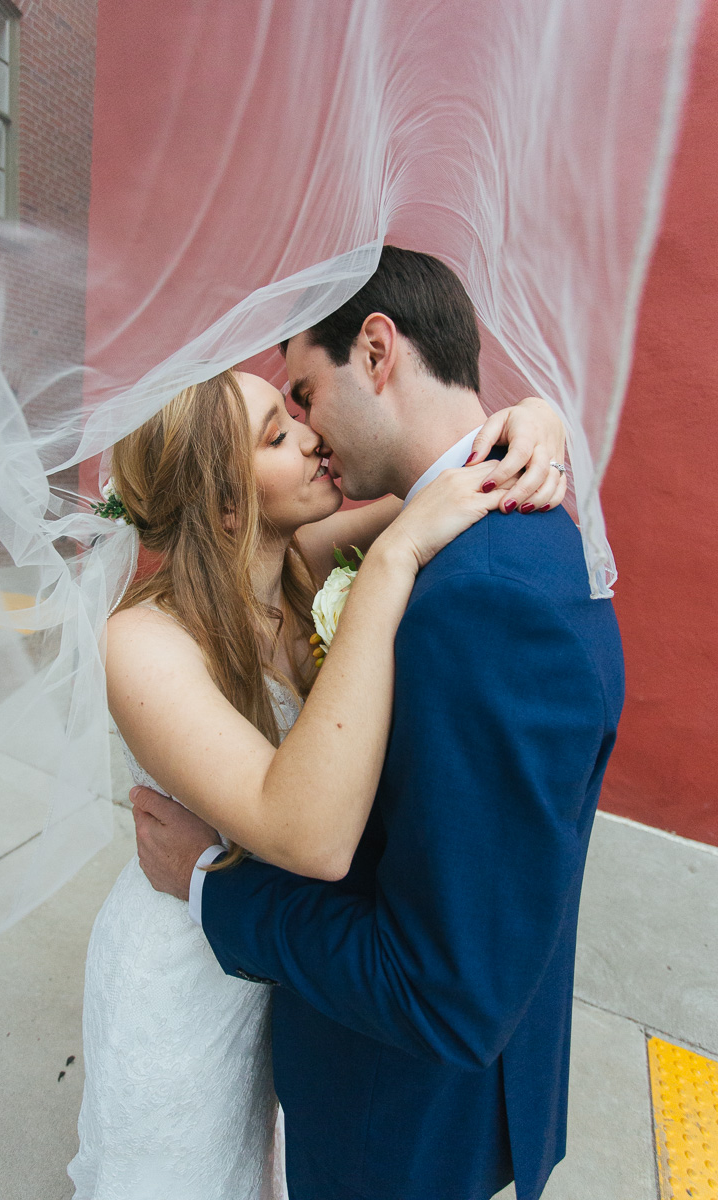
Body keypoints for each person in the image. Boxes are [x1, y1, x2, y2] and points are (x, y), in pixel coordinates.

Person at [131, 247, 624, 1200]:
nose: (311, 432)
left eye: (304, 395)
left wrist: (207, 885)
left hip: (398, 1120)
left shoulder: (484, 591)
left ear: (378, 349)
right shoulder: (481, 518)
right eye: (282, 427)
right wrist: (529, 421)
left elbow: (447, 987)